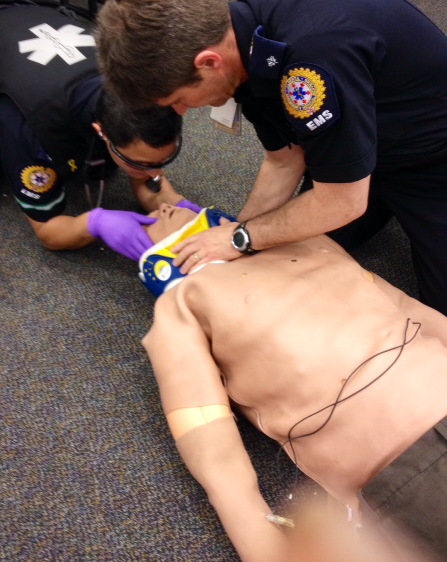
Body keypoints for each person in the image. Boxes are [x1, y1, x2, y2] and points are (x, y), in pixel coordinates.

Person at [96, 0, 447, 315]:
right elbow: (284, 159)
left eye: (178, 99)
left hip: (432, 156)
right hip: (366, 143)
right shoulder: (241, 42)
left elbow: (342, 202)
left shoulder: (311, 59)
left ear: (208, 63)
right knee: (286, 260)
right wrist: (237, 235)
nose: (182, 111)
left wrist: (241, 238)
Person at [131, 202, 447, 562]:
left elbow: (410, 310)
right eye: (150, 218)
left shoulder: (309, 241)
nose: (167, 206)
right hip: (410, 465)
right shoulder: (181, 305)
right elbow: (215, 453)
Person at [0, 0, 185, 260]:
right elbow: (48, 232)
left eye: (161, 162)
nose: (155, 173)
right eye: (142, 164)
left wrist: (176, 204)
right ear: (101, 131)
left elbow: (146, 167)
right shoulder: (33, 124)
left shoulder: (139, 89)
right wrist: (95, 224)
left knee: (103, 163)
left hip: (32, 18)